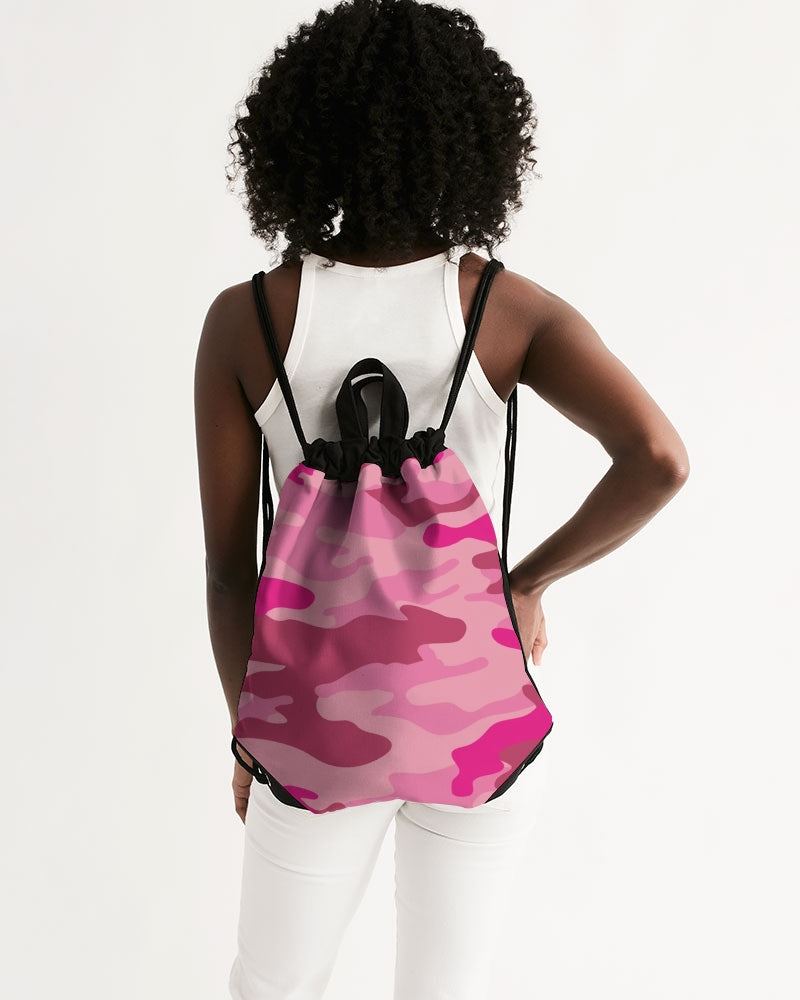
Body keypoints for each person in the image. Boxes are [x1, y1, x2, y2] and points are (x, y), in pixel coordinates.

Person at [193, 1, 690, 997]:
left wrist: (254, 735)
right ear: (471, 137)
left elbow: (228, 570)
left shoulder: (247, 320)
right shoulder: (506, 308)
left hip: (315, 727)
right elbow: (657, 458)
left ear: (300, 135)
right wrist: (526, 583)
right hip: (475, 721)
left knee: (271, 985)